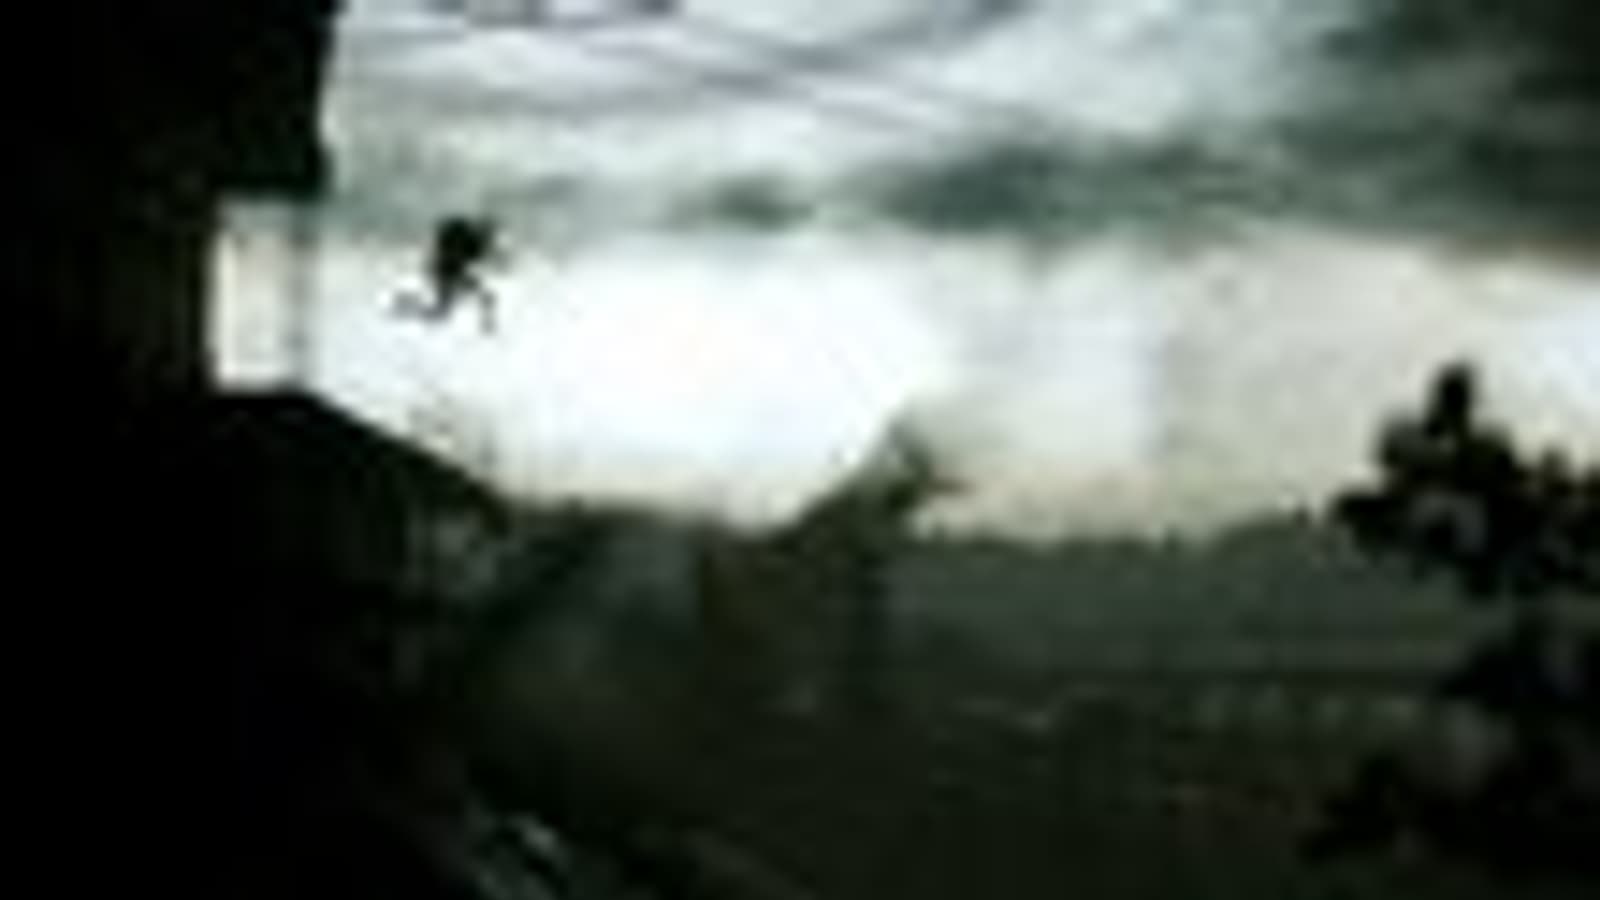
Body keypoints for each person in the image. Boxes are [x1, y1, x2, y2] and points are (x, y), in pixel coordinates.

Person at [395, 215, 503, 333]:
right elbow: (458, 257)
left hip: (451, 272)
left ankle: (487, 325)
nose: (491, 239)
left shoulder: (475, 241)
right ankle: (407, 306)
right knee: (442, 312)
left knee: (484, 298)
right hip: (444, 272)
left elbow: (470, 260)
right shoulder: (471, 241)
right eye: (490, 235)